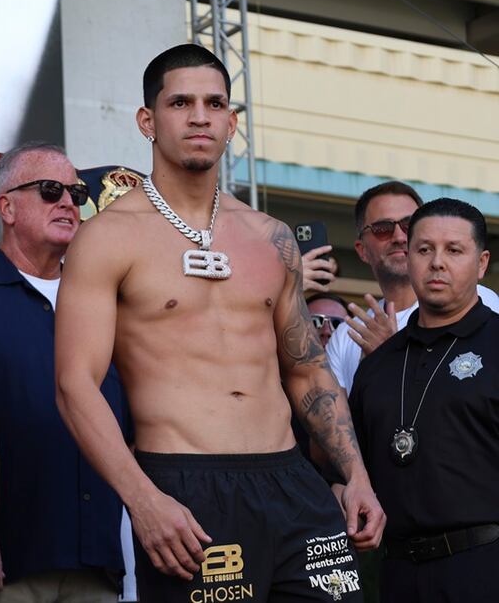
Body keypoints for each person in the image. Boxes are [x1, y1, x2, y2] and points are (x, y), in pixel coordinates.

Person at [54, 44, 385, 602]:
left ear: (232, 122)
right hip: (186, 489)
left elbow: (307, 371)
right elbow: (74, 386)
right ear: (147, 120)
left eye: (215, 103)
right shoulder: (108, 236)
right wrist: (142, 498)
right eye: (180, 102)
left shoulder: (269, 236)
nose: (200, 116)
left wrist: (356, 476)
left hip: (292, 482)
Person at [0, 142, 129, 602]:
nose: (67, 203)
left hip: (101, 558)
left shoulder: (108, 301)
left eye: (76, 193)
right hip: (5, 561)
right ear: (7, 207)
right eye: (50, 190)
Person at [349, 198, 497, 602]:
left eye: (454, 250)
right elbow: (345, 466)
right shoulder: (378, 364)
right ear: (408, 257)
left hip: (484, 568)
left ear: (481, 263)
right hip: (396, 574)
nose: (436, 263)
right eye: (424, 249)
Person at [326, 182, 499, 394]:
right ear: (362, 250)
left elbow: (464, 408)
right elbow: (341, 422)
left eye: (408, 225)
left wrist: (392, 355)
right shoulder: (346, 335)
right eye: (383, 229)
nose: (399, 237)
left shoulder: (479, 300)